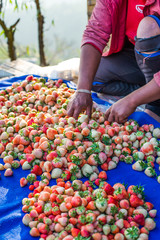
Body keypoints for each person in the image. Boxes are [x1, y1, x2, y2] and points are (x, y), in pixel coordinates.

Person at [67, 0, 160, 123]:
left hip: (153, 53)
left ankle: (156, 106)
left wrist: (132, 100)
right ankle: (150, 89)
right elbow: (95, 32)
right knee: (92, 75)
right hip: (137, 55)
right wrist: (82, 90)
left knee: (149, 27)